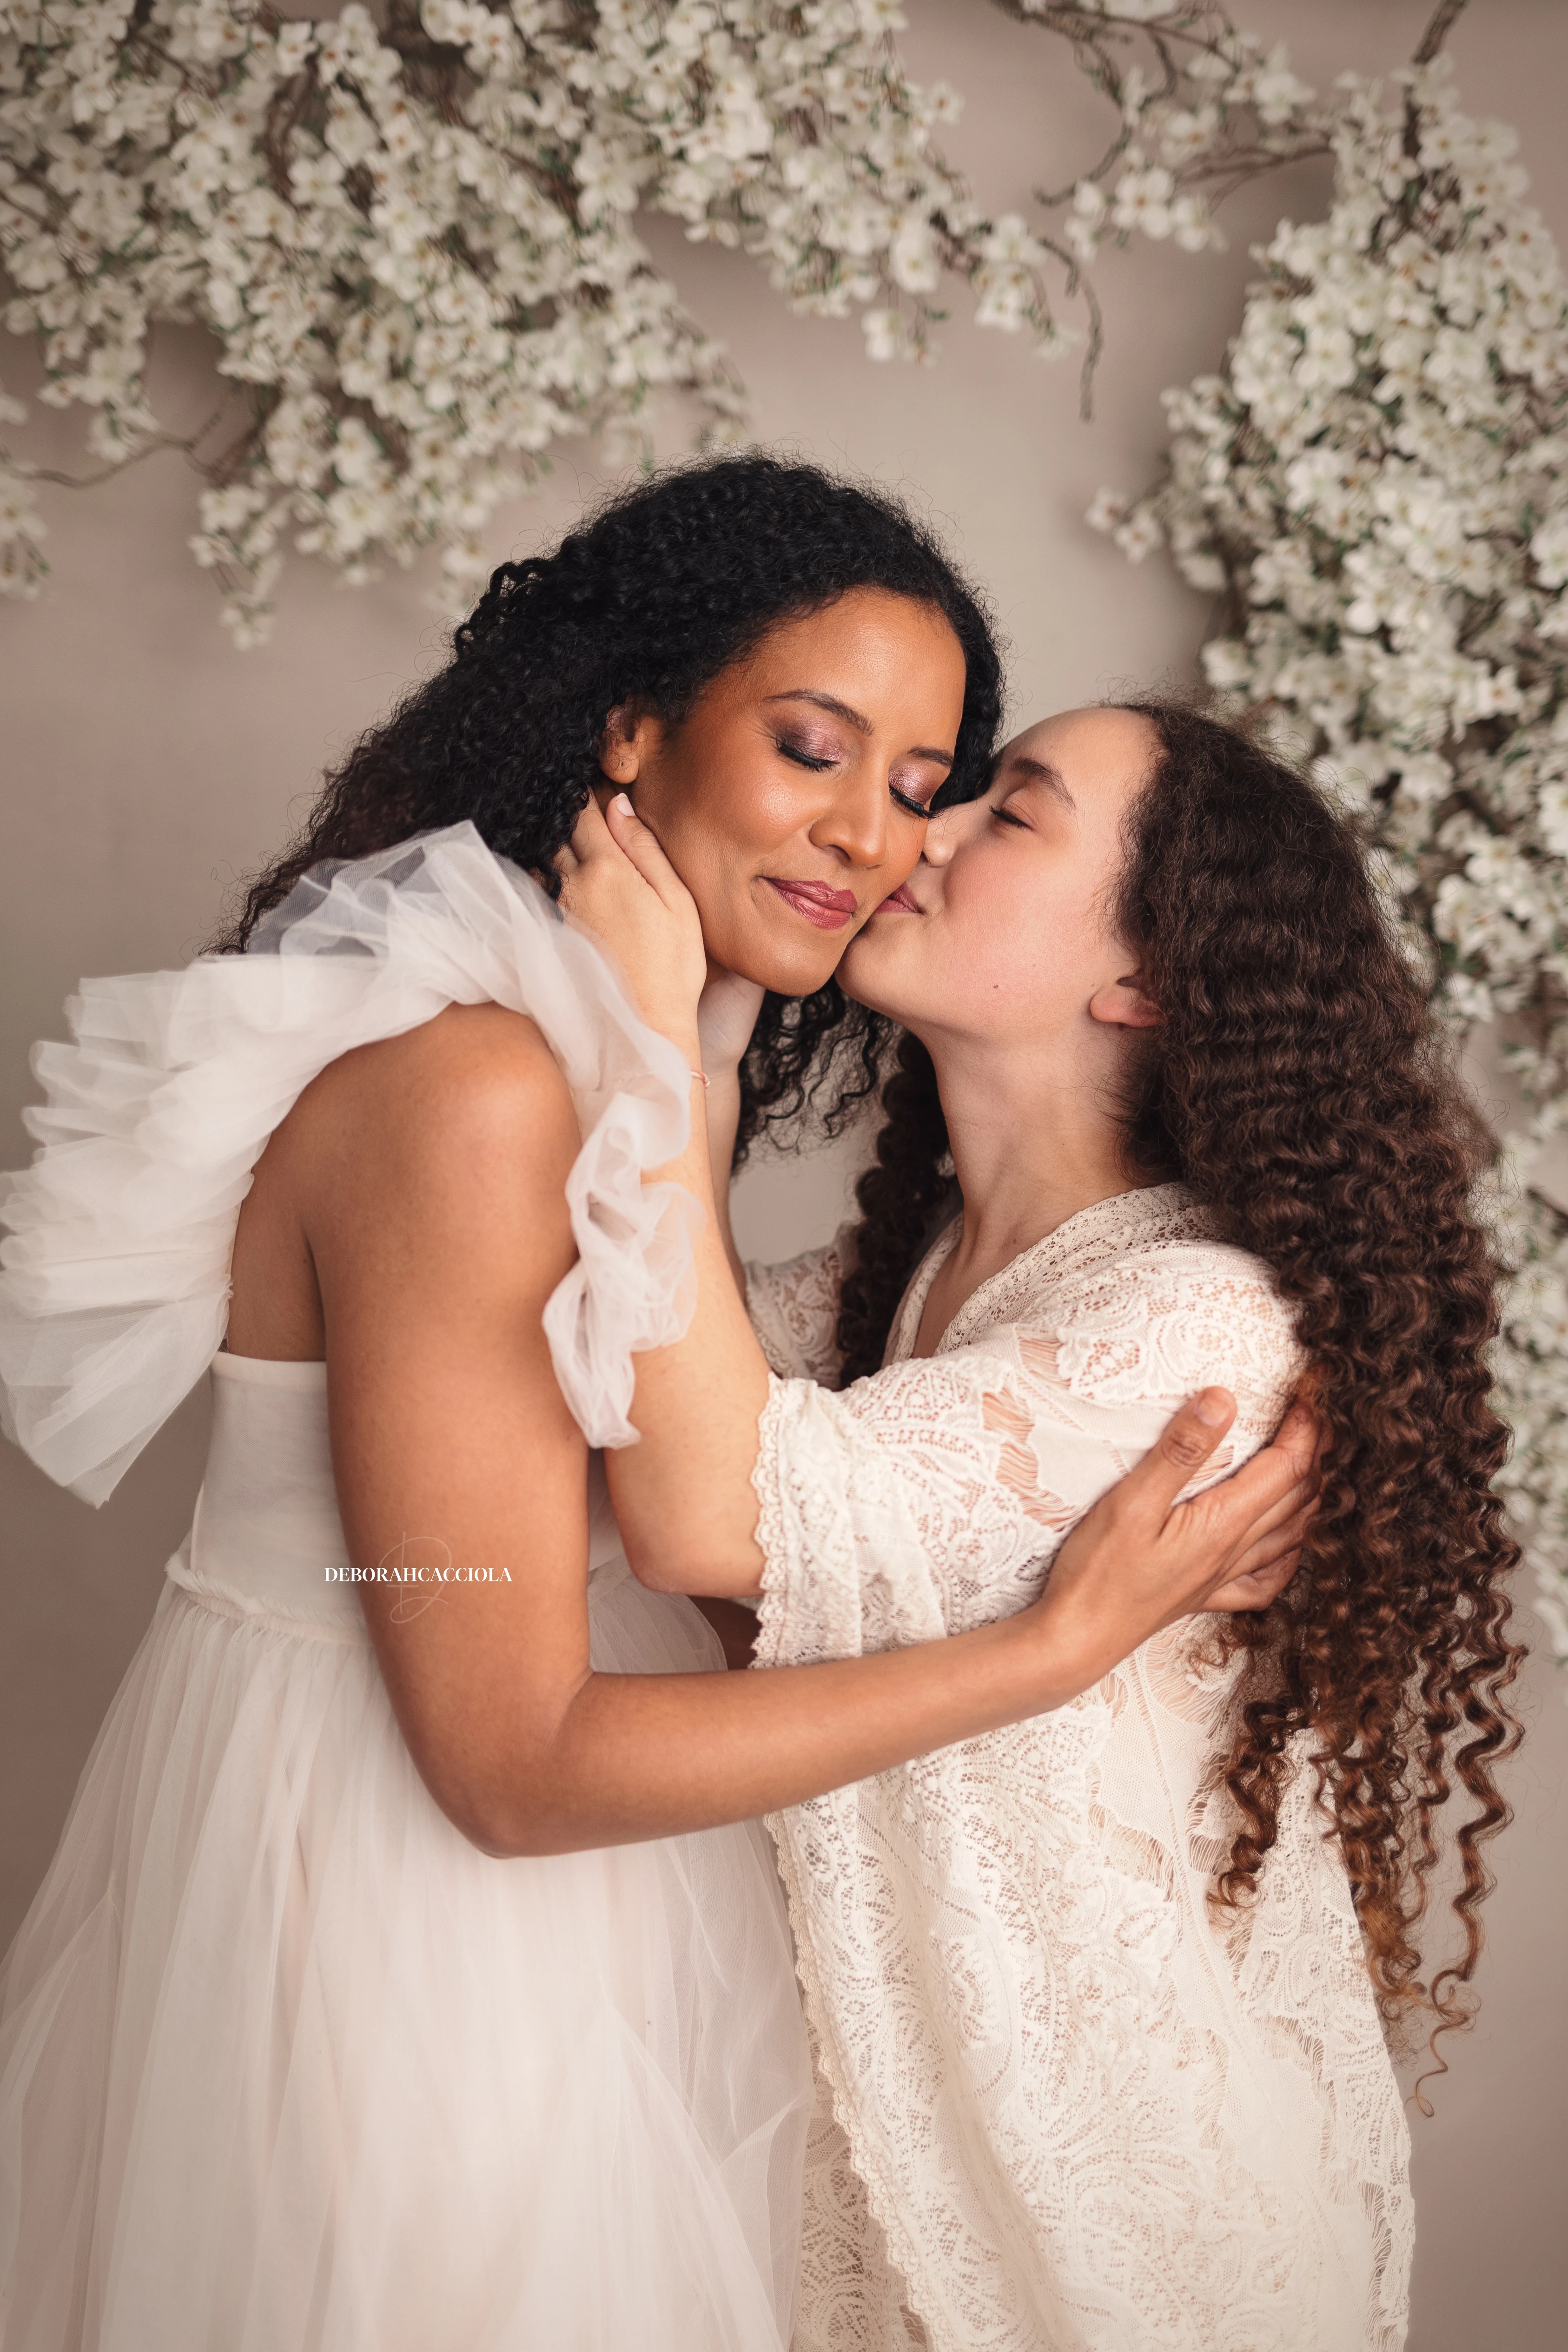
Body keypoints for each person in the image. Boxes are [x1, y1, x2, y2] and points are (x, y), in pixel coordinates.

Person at [0, 462, 1315, 2352]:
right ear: (634, 729)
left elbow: (726, 1506)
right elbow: (516, 1760)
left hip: (576, 1926)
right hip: (411, 1936)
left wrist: (666, 1058)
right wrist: (1051, 1650)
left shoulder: (608, 1093)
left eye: (928, 784)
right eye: (812, 747)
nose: (879, 837)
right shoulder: (480, 1095)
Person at [562, 698, 1525, 2352]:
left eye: (1010, 814)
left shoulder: (1203, 1329)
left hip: (1113, 2208)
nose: (917, 831)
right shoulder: (915, 1281)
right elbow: (633, 1425)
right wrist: (700, 1054)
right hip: (897, 2150)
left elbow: (706, 1515)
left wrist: (654, 1040)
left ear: (1142, 979)